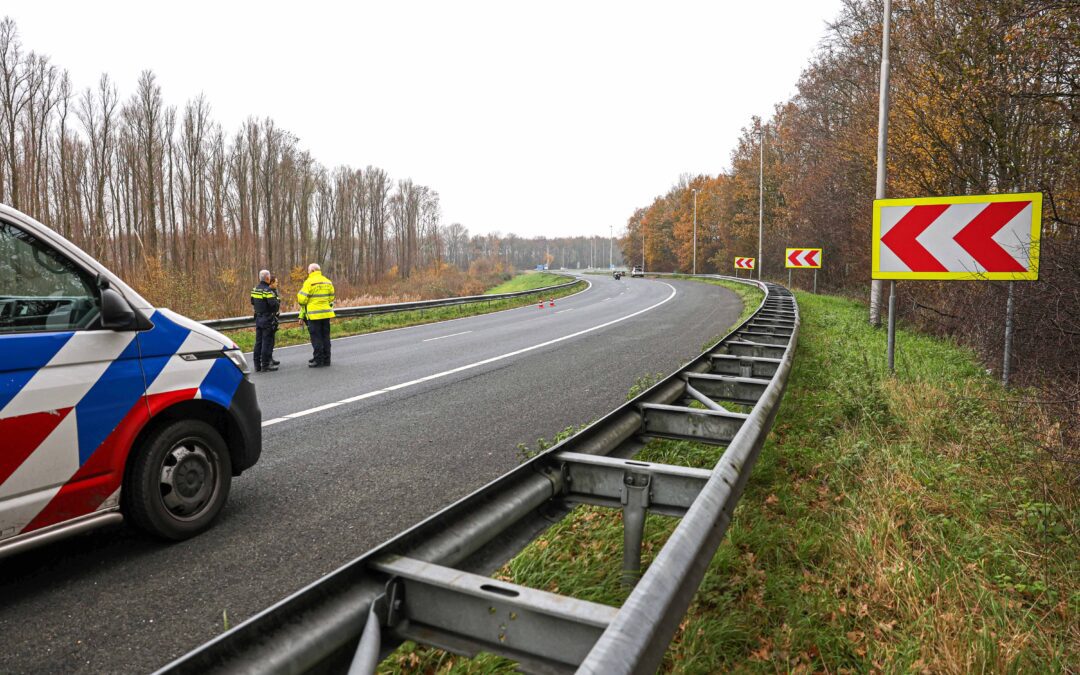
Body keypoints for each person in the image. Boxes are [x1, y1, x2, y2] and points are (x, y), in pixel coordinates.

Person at [297, 263, 335, 368]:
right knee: (325, 337)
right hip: (326, 314)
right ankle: (327, 359)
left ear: (313, 271)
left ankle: (318, 360)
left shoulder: (309, 282)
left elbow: (302, 300)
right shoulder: (328, 281)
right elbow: (331, 298)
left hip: (314, 315)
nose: (308, 273)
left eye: (308, 271)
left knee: (316, 338)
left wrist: (300, 295)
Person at [250, 269, 281, 372]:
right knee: (266, 342)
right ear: (267, 278)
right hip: (267, 318)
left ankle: (257, 365)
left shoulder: (254, 289)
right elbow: (274, 306)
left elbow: (252, 302)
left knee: (258, 342)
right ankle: (265, 365)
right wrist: (277, 301)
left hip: (258, 318)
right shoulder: (267, 290)